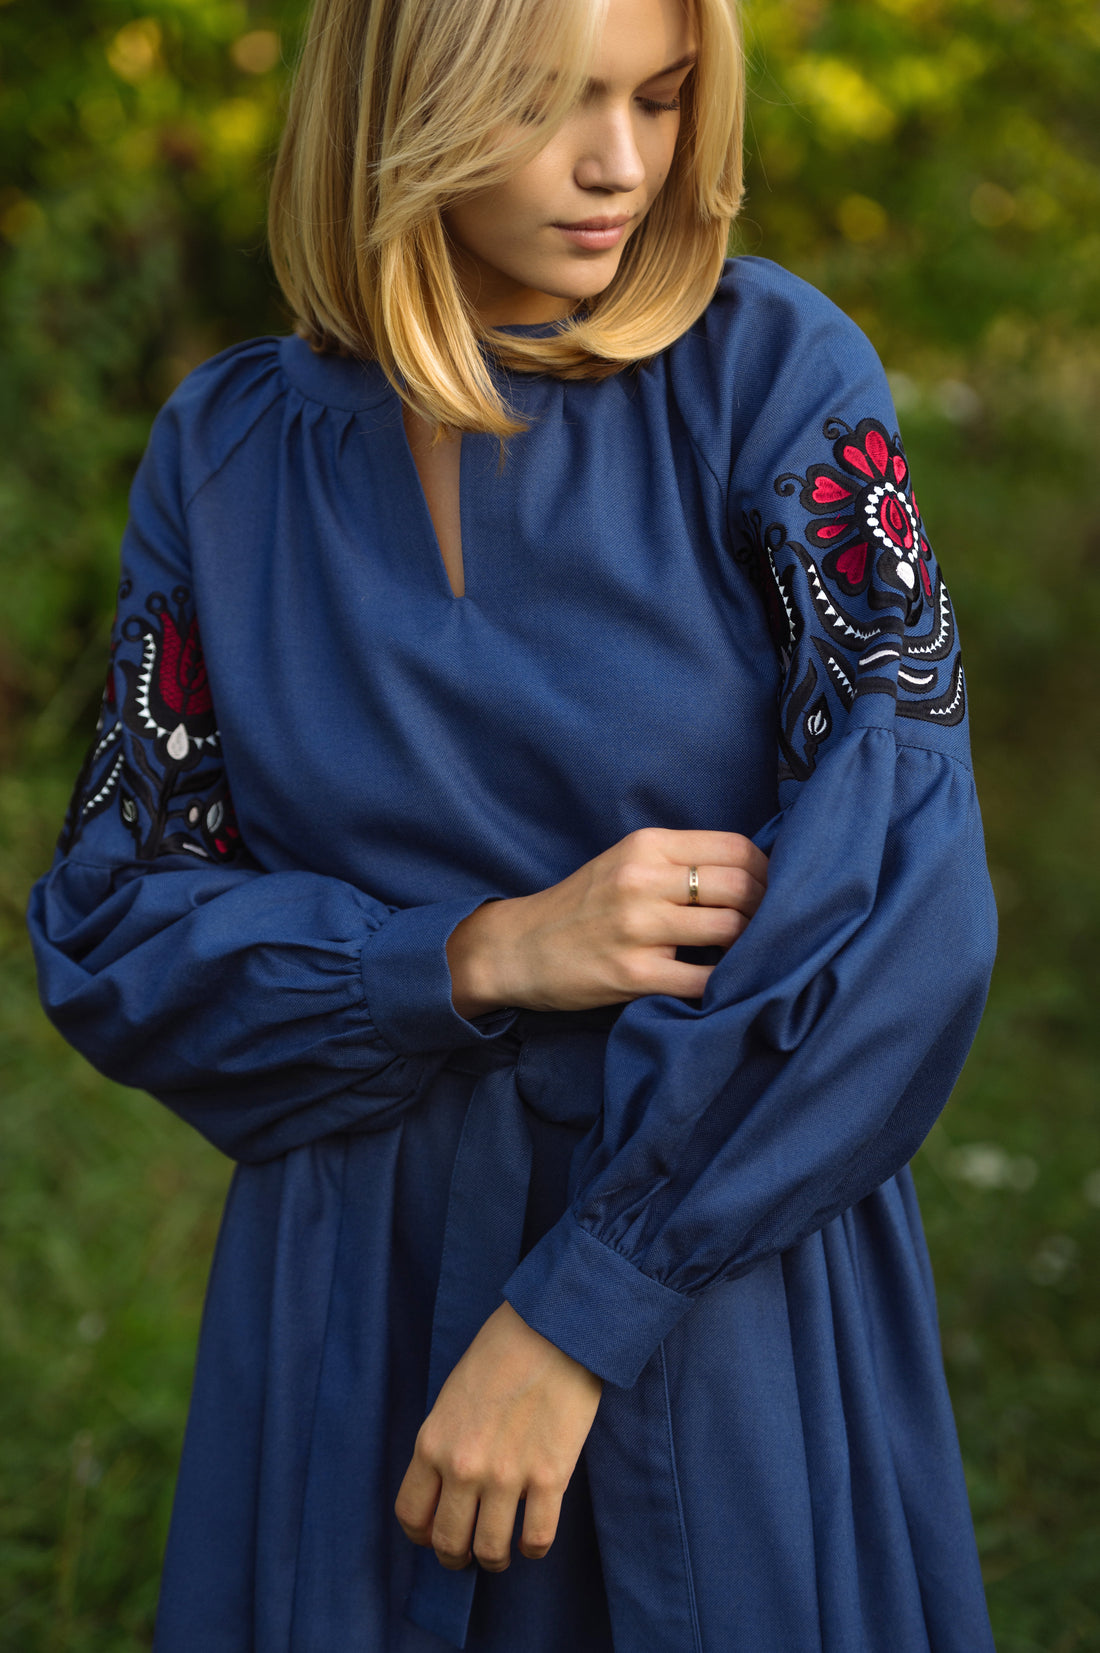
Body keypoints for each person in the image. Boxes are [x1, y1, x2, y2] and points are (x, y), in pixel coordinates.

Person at [26, 0, 1000, 1645]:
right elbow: (120, 929)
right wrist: (472, 955)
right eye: (549, 103)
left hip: (718, 1286)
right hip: (354, 1291)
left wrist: (578, 1314)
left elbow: (906, 891)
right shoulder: (227, 453)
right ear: (399, 102)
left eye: (664, 99)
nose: (620, 165)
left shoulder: (772, 375)